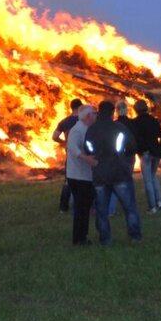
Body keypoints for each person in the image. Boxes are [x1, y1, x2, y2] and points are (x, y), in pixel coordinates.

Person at [82, 100, 141, 245]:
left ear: (98, 112)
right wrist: (123, 156)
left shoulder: (91, 130)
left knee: (102, 211)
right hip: (119, 172)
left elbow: (88, 149)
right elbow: (132, 146)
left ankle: (105, 239)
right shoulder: (119, 127)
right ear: (112, 112)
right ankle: (135, 237)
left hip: (100, 174)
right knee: (129, 208)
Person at [65, 104, 97, 245]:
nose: (96, 115)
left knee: (84, 208)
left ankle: (82, 236)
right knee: (81, 208)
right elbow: (71, 147)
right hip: (78, 176)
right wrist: (86, 158)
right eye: (94, 113)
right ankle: (79, 239)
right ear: (88, 116)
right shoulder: (77, 130)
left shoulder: (86, 129)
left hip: (85, 175)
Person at [133, 99, 161, 213]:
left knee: (147, 180)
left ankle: (152, 206)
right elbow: (160, 137)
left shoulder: (136, 122)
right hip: (156, 152)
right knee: (154, 176)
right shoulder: (153, 120)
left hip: (146, 153)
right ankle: (160, 201)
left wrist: (139, 151)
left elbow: (136, 139)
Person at [51, 99, 82, 213]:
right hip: (84, 153)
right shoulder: (85, 120)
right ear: (80, 107)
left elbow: (54, 136)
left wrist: (63, 142)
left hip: (71, 155)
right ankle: (87, 206)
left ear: (71, 108)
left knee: (68, 181)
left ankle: (63, 208)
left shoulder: (65, 122)